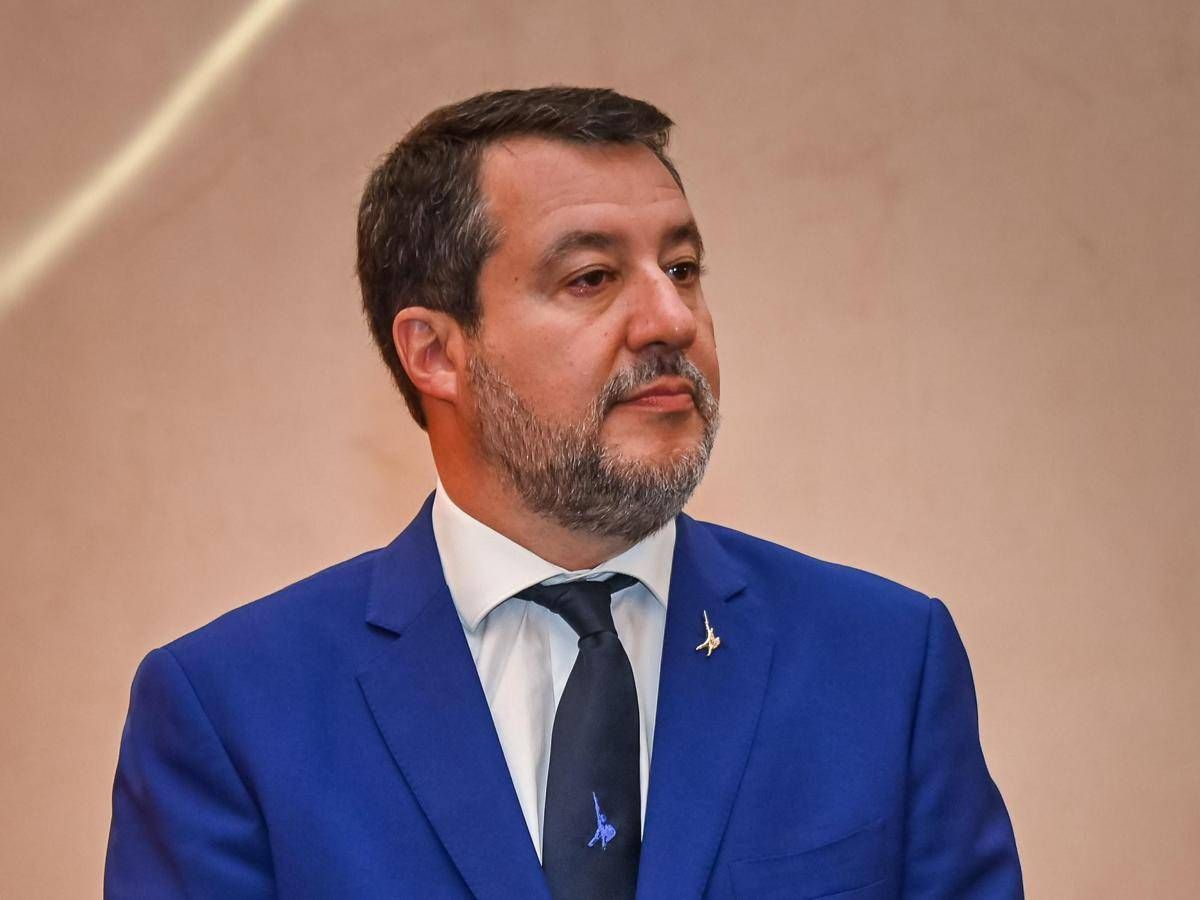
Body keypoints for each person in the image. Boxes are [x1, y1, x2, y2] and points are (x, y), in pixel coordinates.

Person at [105, 86, 1022, 899]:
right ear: (436, 352)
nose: (670, 319)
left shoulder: (884, 663)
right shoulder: (232, 712)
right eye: (591, 278)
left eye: (682, 268)